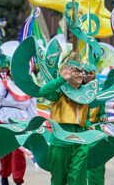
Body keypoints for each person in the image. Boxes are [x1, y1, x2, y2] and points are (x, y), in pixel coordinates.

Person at [40, 55, 90, 185]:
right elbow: (43, 91)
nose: (80, 74)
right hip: (60, 141)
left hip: (80, 141)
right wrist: (61, 79)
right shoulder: (59, 91)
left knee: (78, 179)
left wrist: (89, 124)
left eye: (81, 71)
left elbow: (86, 116)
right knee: (58, 181)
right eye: (76, 71)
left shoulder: (87, 92)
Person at [0, 68, 37, 185]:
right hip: (4, 122)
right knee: (5, 152)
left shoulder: (29, 89)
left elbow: (33, 110)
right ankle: (4, 175)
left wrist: (32, 127)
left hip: (20, 124)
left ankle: (18, 180)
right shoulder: (5, 85)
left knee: (18, 152)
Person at [84, 69, 107, 185]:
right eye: (86, 72)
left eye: (91, 73)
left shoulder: (99, 93)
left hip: (95, 132)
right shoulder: (76, 91)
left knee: (97, 164)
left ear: (95, 74)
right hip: (80, 131)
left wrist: (103, 116)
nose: (88, 75)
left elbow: (102, 112)